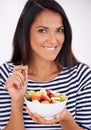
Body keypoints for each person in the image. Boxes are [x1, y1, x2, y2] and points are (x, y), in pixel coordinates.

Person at [0, 0, 91, 129]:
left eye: (59, 30)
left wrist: (65, 119)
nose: (54, 40)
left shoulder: (81, 76)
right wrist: (17, 103)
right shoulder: (6, 76)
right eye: (43, 31)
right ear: (25, 33)